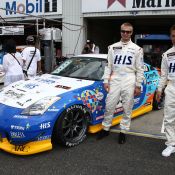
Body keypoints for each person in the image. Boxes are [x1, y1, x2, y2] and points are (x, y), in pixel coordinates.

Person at [97, 22, 144, 144]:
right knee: (110, 104)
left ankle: (123, 131)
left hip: (129, 78)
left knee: (127, 106)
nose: (125, 34)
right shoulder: (112, 47)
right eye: (123, 31)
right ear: (120, 32)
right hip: (116, 78)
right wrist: (106, 80)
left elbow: (140, 69)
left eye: (128, 32)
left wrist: (138, 85)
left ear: (131, 33)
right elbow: (108, 66)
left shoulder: (137, 49)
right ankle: (106, 128)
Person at [156, 24, 175, 157]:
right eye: (174, 36)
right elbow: (163, 75)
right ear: (170, 37)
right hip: (172, 87)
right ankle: (171, 144)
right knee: (168, 118)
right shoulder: (167, 54)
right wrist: (159, 89)